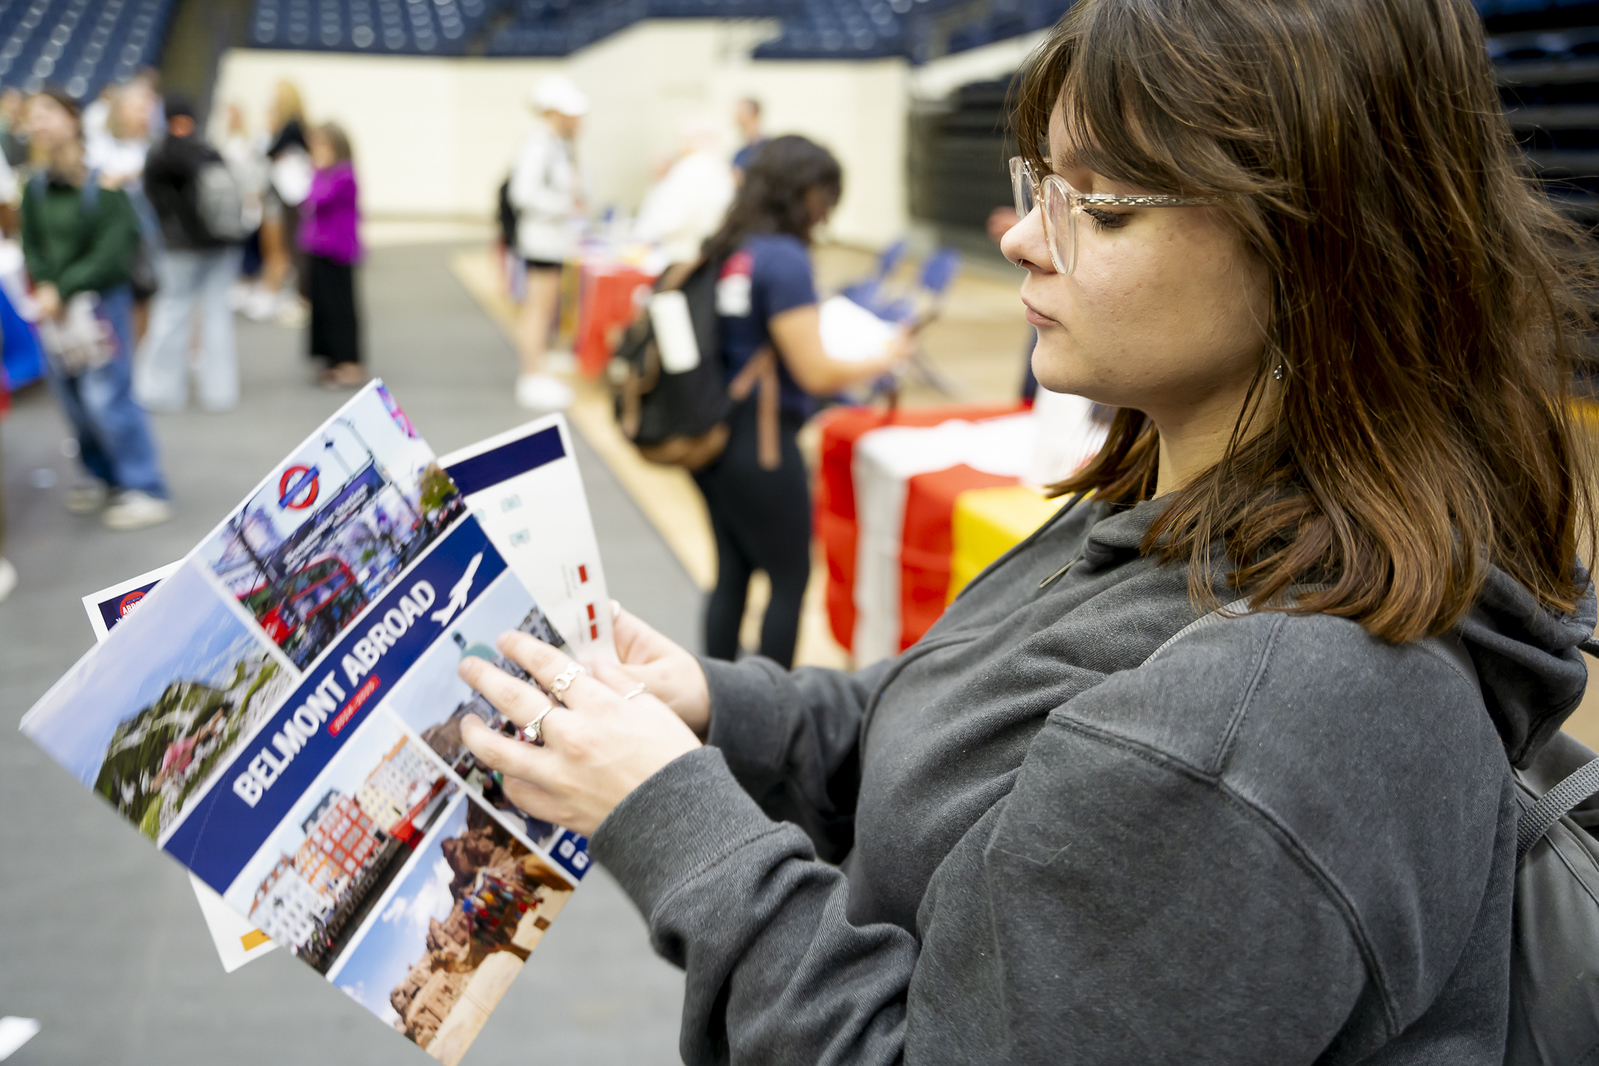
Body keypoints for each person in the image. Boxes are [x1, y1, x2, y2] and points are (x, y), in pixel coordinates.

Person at [453, 0, 1599, 1061]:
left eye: (1100, 206)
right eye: (1041, 177)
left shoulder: (1262, 726)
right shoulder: (1183, 498)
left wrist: (669, 815)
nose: (1023, 236)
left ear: (1318, 250)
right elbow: (949, 735)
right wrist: (707, 708)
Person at [693, 135, 908, 669]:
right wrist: (883, 357)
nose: (827, 211)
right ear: (804, 191)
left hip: (713, 435)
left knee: (733, 574)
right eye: (826, 195)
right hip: (761, 441)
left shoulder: (730, 249)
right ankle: (771, 715)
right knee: (789, 578)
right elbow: (813, 372)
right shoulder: (784, 259)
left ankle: (713, 699)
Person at [21, 88, 170, 531]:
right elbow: (32, 243)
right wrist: (47, 284)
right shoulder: (35, 187)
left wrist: (63, 287)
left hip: (101, 303)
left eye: (48, 111)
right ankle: (102, 477)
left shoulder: (105, 181)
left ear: (72, 118)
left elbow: (114, 249)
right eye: (32, 116)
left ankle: (145, 486)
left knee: (109, 396)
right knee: (72, 398)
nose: (39, 122)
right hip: (58, 309)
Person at [136, 94, 243, 413]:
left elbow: (153, 204)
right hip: (221, 246)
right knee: (216, 314)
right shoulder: (209, 151)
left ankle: (161, 391)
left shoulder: (159, 155)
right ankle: (219, 392)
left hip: (179, 249)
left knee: (171, 312)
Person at [507, 74, 586, 412]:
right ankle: (531, 373)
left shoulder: (556, 143)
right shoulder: (539, 143)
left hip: (552, 240)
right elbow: (522, 193)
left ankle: (537, 368)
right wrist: (564, 205)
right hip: (540, 239)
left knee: (544, 309)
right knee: (538, 310)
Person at [299, 122, 362, 388]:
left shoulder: (344, 174)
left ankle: (348, 363)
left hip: (338, 250)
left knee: (340, 309)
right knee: (322, 307)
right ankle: (329, 359)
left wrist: (318, 170)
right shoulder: (319, 172)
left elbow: (319, 199)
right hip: (318, 248)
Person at [633, 116, 736, 266]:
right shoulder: (721, 169)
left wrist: (645, 235)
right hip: (709, 254)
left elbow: (672, 219)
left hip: (683, 255)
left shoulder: (691, 168)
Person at [251, 80, 309, 323]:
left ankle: (294, 296)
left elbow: (271, 151)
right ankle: (277, 292)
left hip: (291, 197)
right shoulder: (285, 127)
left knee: (286, 249)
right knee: (276, 247)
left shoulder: (294, 126)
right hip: (277, 194)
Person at [730, 97, 765, 179]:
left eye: (742, 116)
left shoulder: (770, 149)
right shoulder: (739, 155)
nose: (739, 122)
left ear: (755, 115)